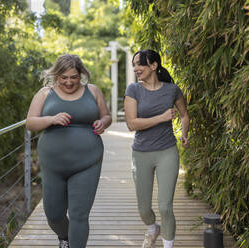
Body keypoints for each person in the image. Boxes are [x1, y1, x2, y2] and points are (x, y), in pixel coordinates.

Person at [26, 54, 112, 248]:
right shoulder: (45, 93)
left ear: (81, 74)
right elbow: (30, 123)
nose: (69, 82)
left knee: (79, 214)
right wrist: (51, 119)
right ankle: (65, 238)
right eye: (64, 77)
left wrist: (102, 122)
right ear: (56, 75)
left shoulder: (93, 91)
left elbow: (106, 116)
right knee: (54, 214)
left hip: (87, 162)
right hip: (53, 165)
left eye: (73, 77)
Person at [124, 49, 189, 248]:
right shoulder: (133, 89)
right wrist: (161, 118)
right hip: (141, 153)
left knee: (165, 206)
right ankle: (152, 229)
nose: (136, 68)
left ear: (154, 65)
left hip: (166, 151)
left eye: (140, 64)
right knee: (144, 209)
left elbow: (184, 115)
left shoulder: (172, 90)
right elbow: (132, 124)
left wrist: (185, 134)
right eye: (134, 64)